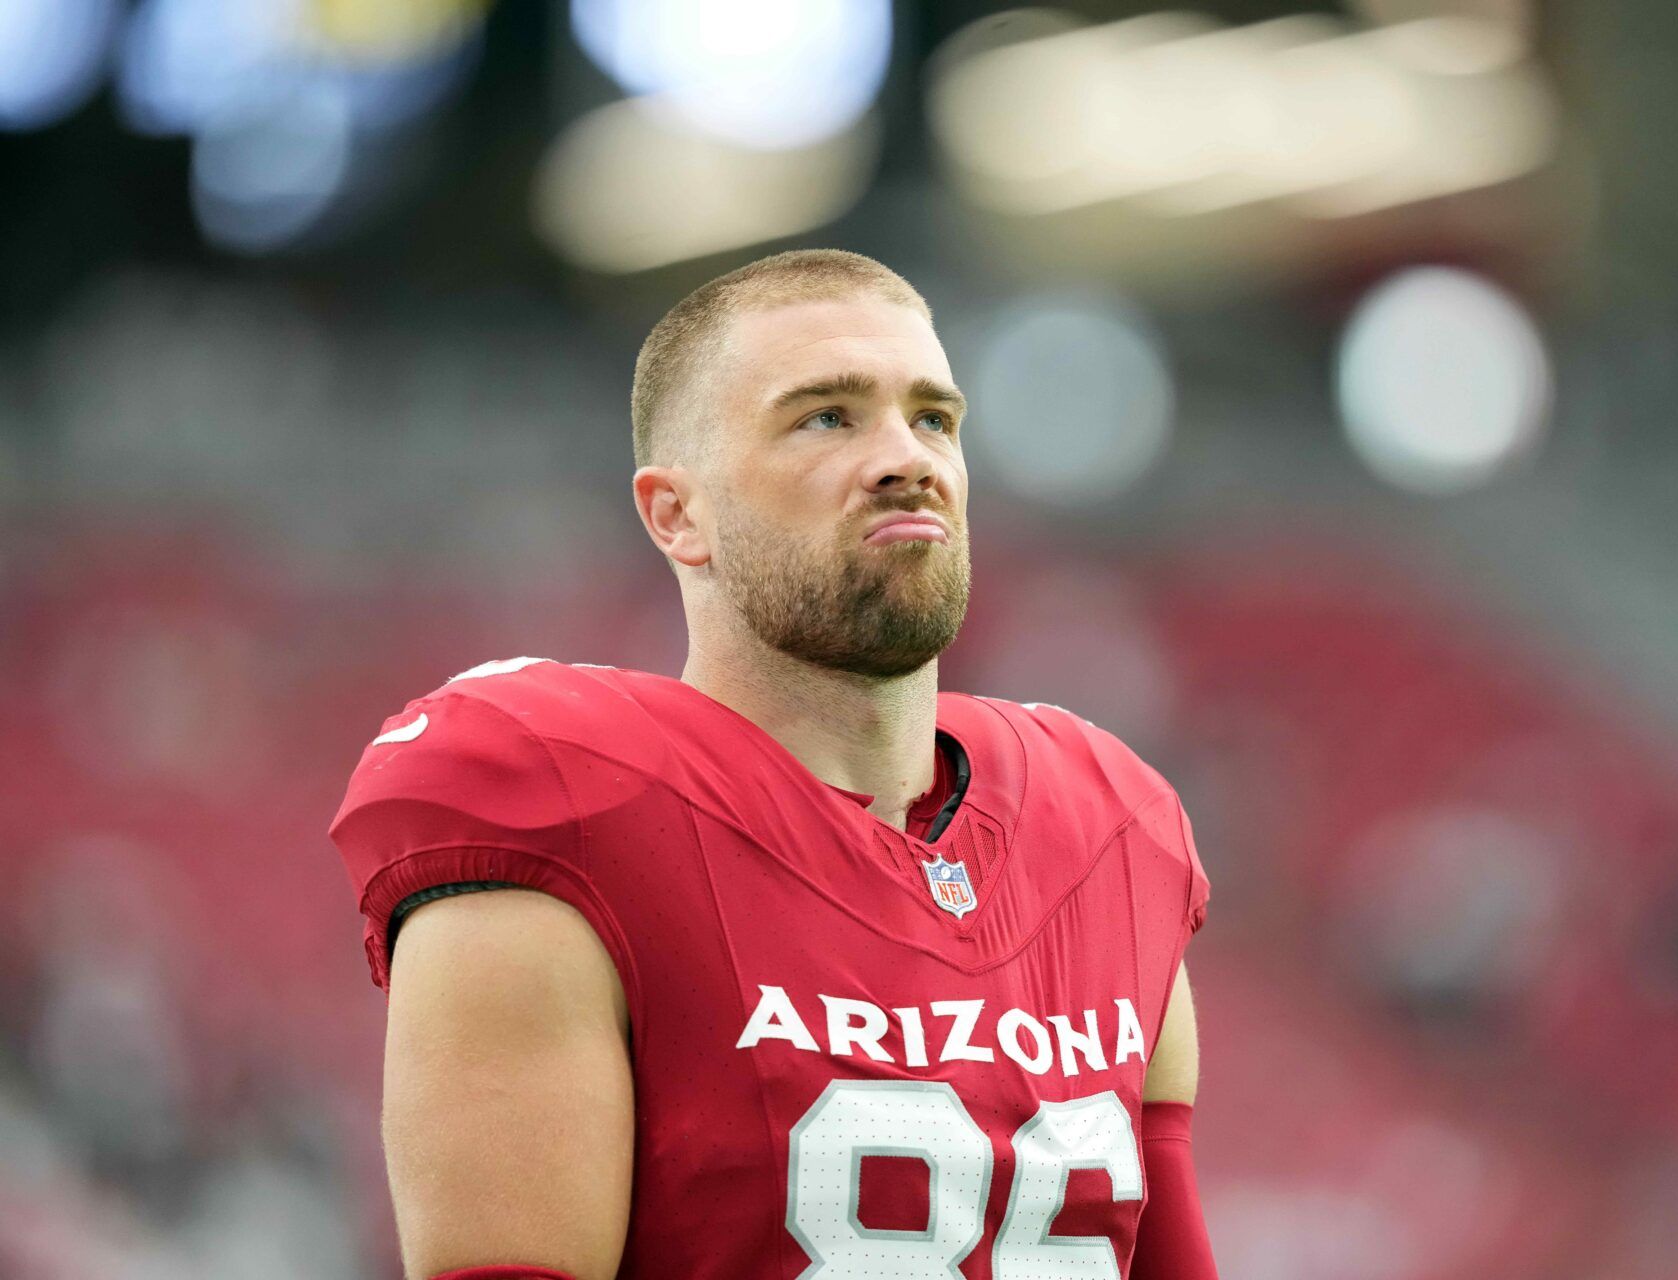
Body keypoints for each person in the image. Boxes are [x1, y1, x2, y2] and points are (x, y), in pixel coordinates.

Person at [329, 249, 1216, 1280]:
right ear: (677, 514)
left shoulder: (1107, 830)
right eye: (826, 417)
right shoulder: (563, 799)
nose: (905, 456)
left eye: (933, 418)